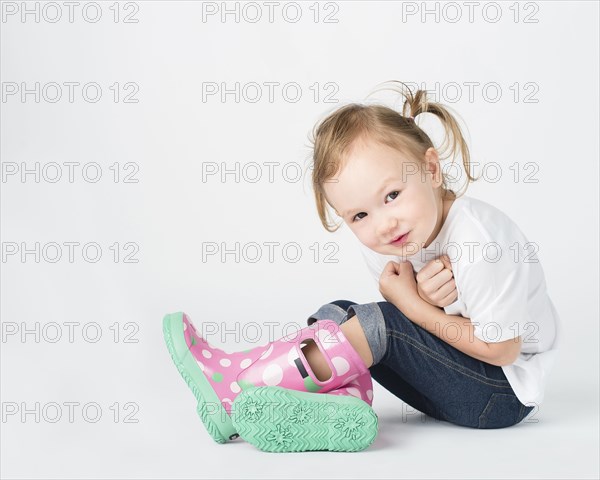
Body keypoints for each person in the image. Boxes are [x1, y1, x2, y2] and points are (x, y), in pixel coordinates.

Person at [163, 81, 561, 452]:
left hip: (502, 395)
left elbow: (502, 349)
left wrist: (412, 304)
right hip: (463, 380)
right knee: (337, 317)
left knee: (380, 324)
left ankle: (237, 386)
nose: (383, 224)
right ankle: (341, 409)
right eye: (359, 216)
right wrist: (420, 299)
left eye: (392, 194)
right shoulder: (393, 237)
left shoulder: (478, 239)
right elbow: (424, 333)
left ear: (431, 170)